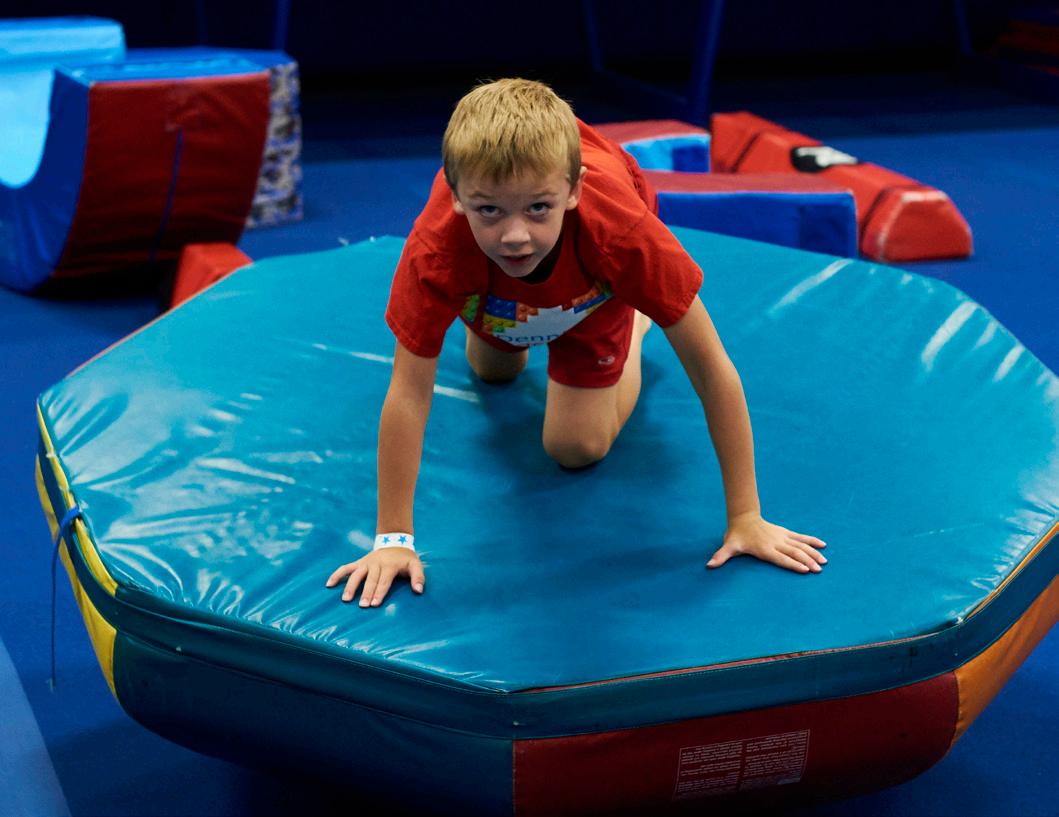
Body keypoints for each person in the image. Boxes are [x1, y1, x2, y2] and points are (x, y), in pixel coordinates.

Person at [326, 79, 826, 608]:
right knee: (494, 370)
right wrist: (393, 540)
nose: (515, 235)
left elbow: (712, 369)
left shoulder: (622, 237)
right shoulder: (437, 253)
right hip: (495, 293)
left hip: (592, 292)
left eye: (538, 209)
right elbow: (408, 392)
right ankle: (514, 304)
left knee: (576, 448)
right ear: (455, 196)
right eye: (488, 211)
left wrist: (746, 515)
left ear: (573, 191)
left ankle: (633, 321)